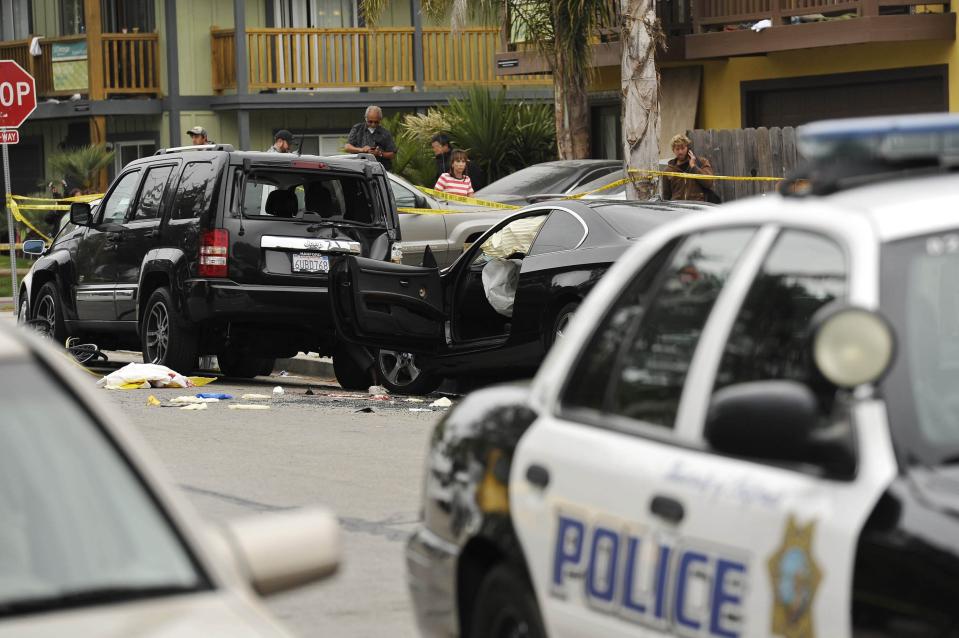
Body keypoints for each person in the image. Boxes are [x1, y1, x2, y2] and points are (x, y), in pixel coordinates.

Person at [662, 133, 717, 202]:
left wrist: (694, 167)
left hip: (698, 207)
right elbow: (666, 196)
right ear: (673, 150)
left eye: (683, 148)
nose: (680, 152)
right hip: (677, 208)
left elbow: (709, 183)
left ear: (688, 148)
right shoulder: (669, 170)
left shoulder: (701, 162)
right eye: (677, 149)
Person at [345, 106, 396, 170]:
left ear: (380, 119)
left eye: (376, 122)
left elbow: (392, 154)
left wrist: (379, 153)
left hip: (379, 171)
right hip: (359, 170)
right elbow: (347, 147)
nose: (373, 124)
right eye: (370, 121)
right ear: (365, 118)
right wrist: (362, 150)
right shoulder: (357, 128)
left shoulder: (385, 133)